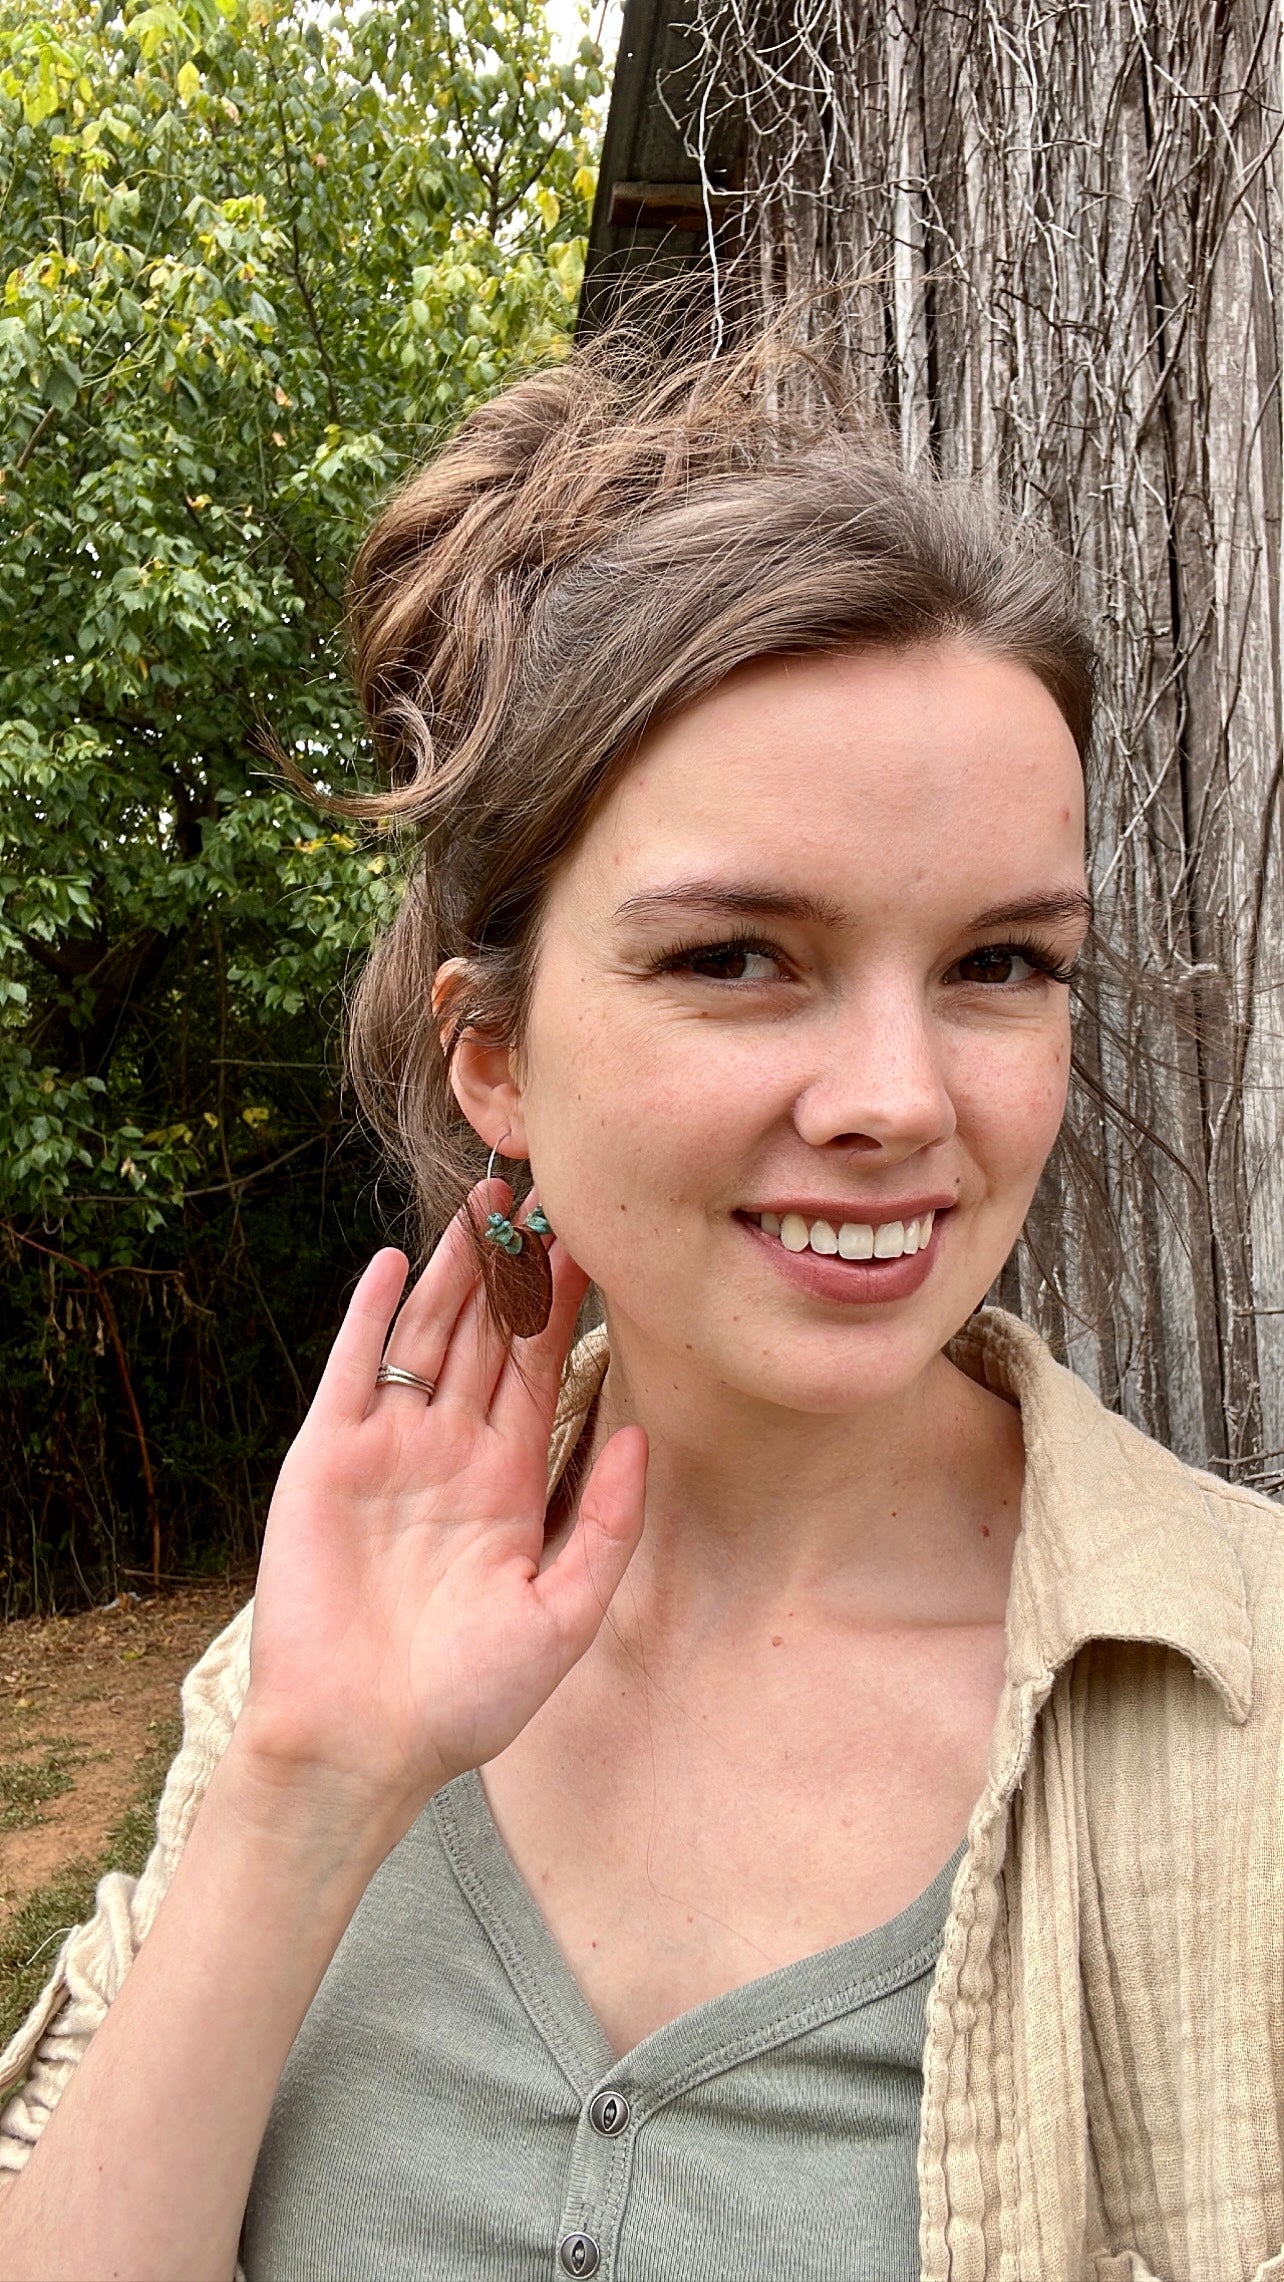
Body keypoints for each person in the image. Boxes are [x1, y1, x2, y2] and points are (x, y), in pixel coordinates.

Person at [1, 327, 1283, 2282]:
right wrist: (304, 1790)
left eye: (1004, 963)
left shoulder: (1240, 1718)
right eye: (742, 954)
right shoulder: (315, 1665)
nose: (899, 1099)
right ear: (494, 1057)